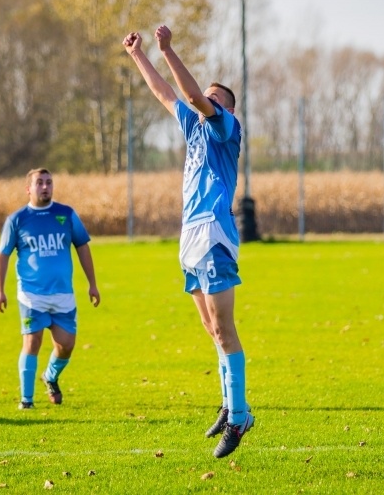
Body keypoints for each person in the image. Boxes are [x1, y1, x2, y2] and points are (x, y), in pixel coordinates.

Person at [123, 26, 252, 459]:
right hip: (190, 234)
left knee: (225, 328)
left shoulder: (224, 128)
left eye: (216, 97)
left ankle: (240, 415)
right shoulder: (194, 127)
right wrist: (140, 56)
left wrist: (169, 50)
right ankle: (228, 401)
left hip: (214, 231)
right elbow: (166, 95)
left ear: (227, 108)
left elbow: (194, 97)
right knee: (210, 328)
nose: (206, 99)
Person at [0, 168, 100, 410]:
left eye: (49, 182)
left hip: (63, 294)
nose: (45, 187)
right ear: (28, 188)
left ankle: (50, 376)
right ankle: (26, 400)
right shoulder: (17, 220)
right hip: (32, 295)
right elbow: (3, 255)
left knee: (66, 345)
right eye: (39, 183)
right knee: (32, 342)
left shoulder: (66, 214)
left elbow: (83, 247)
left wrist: (92, 284)